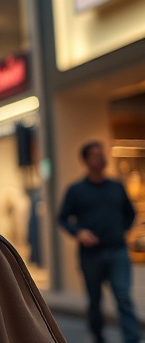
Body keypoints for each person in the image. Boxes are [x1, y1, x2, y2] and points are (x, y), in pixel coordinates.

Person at [58, 141, 140, 343]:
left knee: (123, 296)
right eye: (96, 155)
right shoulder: (76, 190)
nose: (101, 158)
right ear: (86, 160)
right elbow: (62, 218)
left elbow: (130, 213)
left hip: (118, 250)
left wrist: (123, 230)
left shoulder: (116, 187)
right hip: (91, 254)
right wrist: (79, 232)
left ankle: (132, 338)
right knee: (95, 299)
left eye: (102, 154)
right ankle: (98, 336)